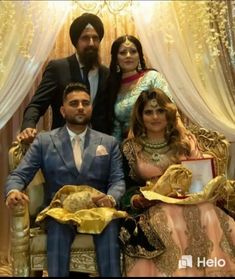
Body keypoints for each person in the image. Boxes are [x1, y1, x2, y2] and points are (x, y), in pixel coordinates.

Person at [5, 82, 126, 277]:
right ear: (62, 110)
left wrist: (111, 198)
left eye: (85, 103)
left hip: (97, 210)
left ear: (91, 107)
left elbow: (118, 180)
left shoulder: (108, 142)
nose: (80, 107)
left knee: (110, 225)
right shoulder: (45, 141)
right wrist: (14, 191)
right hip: (60, 211)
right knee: (57, 227)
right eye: (74, 103)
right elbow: (19, 175)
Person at [119, 88, 235, 277]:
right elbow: (126, 184)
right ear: (140, 116)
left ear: (169, 112)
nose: (155, 116)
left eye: (161, 111)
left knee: (206, 211)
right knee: (169, 218)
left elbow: (200, 176)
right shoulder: (131, 147)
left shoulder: (185, 141)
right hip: (153, 206)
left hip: (191, 200)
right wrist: (137, 200)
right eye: (148, 112)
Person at [17, 13, 109, 144]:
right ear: (76, 42)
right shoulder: (58, 68)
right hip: (62, 145)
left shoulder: (105, 73)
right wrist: (28, 126)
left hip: (98, 146)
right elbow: (37, 105)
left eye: (95, 38)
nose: (91, 43)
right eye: (85, 38)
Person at [104, 35, 174, 143]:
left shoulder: (152, 77)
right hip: (127, 147)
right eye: (122, 52)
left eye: (133, 51)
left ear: (139, 55)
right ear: (116, 58)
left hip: (158, 142)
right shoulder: (112, 87)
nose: (128, 55)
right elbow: (115, 126)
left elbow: (170, 109)